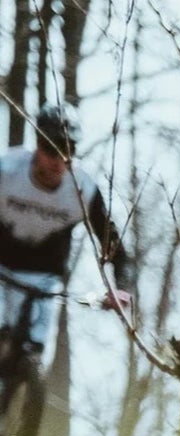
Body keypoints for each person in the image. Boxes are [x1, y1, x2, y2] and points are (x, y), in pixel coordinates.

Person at [0, 102, 134, 350]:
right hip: (2, 264)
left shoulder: (83, 189)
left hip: (43, 274)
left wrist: (122, 288)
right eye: (51, 148)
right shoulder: (7, 169)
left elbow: (113, 244)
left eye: (68, 148)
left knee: (32, 348)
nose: (59, 158)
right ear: (37, 145)